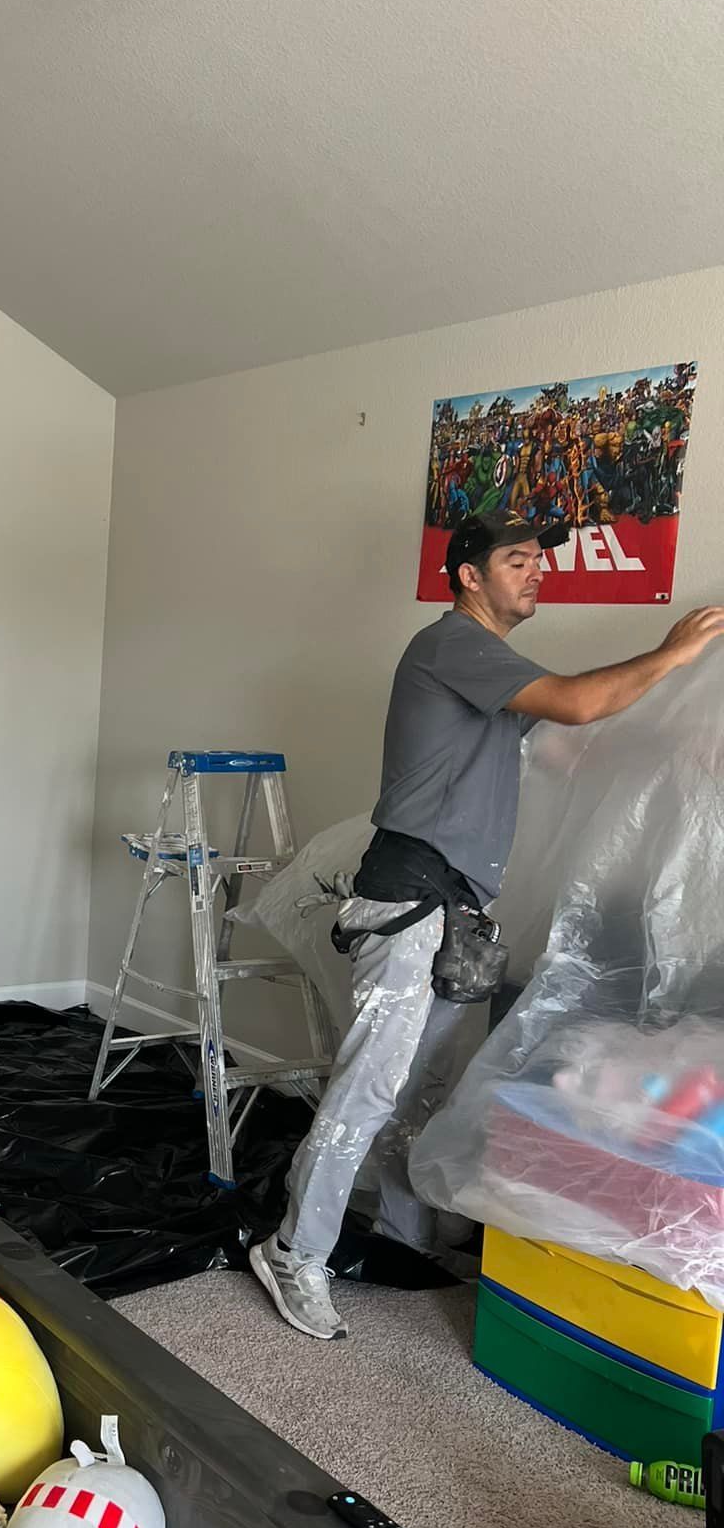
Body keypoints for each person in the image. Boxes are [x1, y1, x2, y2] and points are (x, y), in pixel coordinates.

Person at [250, 511, 724, 1342]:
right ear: (469, 575)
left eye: (540, 560)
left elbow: (579, 742)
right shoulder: (450, 646)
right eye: (517, 560)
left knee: (422, 1088)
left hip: (454, 917)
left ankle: (402, 1236)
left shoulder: (494, 679)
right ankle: (294, 1253)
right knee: (366, 1092)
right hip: (409, 906)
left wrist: (688, 729)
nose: (536, 572)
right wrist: (672, 652)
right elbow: (578, 704)